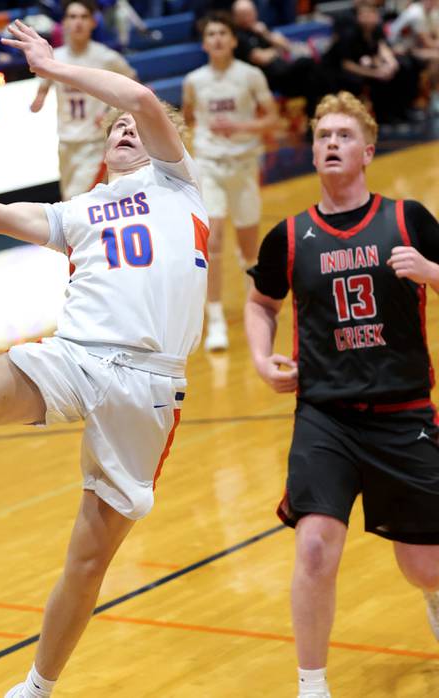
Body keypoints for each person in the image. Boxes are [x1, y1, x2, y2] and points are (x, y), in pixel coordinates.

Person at [0, 18, 209, 698]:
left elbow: (141, 99)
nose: (126, 127)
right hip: (75, 356)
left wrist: (52, 67)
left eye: (135, 127)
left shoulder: (180, 185)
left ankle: (36, 689)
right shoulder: (80, 210)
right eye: (116, 127)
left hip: (147, 386)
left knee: (88, 561)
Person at [244, 91, 439, 698]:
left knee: (425, 566)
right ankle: (313, 685)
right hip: (325, 415)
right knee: (315, 546)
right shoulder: (290, 235)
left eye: (344, 135)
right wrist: (260, 358)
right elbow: (260, 302)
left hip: (403, 412)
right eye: (322, 135)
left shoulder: (408, 220)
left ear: (368, 151)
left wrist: (432, 273)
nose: (331, 143)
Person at [182, 12, 276, 351]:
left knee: (249, 250)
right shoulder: (194, 80)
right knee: (213, 243)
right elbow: (189, 118)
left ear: (234, 40)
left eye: (223, 33)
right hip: (210, 166)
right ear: (204, 43)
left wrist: (240, 128)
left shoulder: (250, 75)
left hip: (244, 165)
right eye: (211, 34)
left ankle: (256, 308)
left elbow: (272, 118)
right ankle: (216, 318)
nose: (218, 39)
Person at [29, 0, 136, 200]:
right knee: (70, 200)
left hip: (94, 143)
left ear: (93, 22)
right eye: (72, 17)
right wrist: (38, 100)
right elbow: (43, 88)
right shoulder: (55, 58)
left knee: (76, 199)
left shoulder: (106, 57)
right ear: (64, 23)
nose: (78, 22)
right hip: (65, 141)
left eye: (84, 17)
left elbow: (134, 88)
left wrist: (111, 113)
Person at [328, 0, 420, 125]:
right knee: (372, 80)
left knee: (400, 68)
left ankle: (401, 110)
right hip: (338, 70)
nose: (369, 18)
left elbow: (379, 48)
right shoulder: (350, 34)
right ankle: (381, 117)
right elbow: (347, 64)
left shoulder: (376, 30)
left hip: (363, 64)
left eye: (372, 14)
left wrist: (390, 64)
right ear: (358, 17)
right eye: (365, 15)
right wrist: (375, 72)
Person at [232, 0, 330, 115]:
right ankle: (322, 106)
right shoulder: (238, 36)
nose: (247, 17)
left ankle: (315, 113)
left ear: (255, 13)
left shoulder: (260, 29)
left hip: (285, 72)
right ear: (235, 17)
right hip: (269, 79)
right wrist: (277, 51)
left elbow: (286, 46)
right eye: (243, 14)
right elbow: (260, 58)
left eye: (249, 13)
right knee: (306, 63)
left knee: (312, 79)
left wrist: (266, 33)